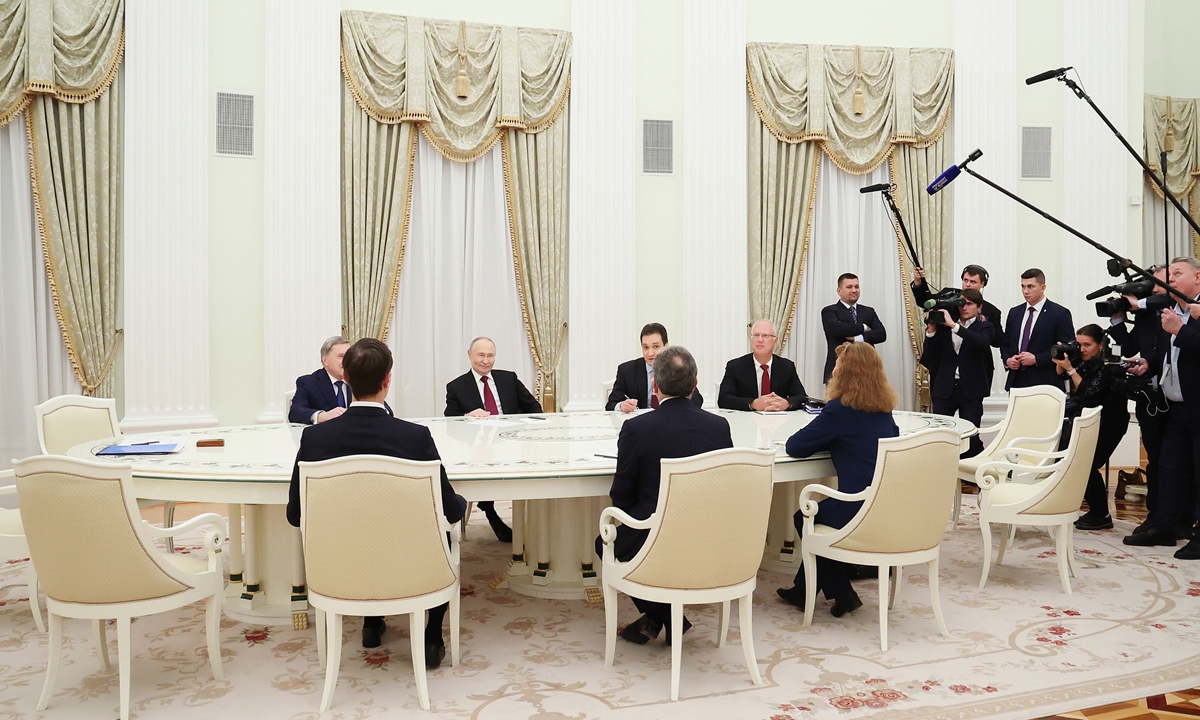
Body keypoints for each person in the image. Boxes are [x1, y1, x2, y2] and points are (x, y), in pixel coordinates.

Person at [287, 338, 467, 665]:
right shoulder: (414, 437)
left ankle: (371, 622)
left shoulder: (314, 438)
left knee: (364, 529)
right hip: (408, 563)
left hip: (340, 565)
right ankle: (431, 636)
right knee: (440, 528)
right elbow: (449, 509)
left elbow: (295, 514)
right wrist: (462, 503)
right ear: (387, 379)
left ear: (347, 379)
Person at [596, 346, 733, 644]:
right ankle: (667, 619)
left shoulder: (637, 428)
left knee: (604, 541)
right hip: (708, 537)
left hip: (654, 537)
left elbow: (621, 496)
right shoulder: (719, 427)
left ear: (655, 386)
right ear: (695, 384)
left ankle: (666, 617)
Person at [775, 343, 899, 616]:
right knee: (816, 518)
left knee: (804, 517)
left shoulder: (839, 410)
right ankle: (801, 591)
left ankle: (843, 593)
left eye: (837, 365)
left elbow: (795, 446)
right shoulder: (884, 409)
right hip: (883, 503)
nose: (833, 370)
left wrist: (832, 438)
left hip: (856, 505)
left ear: (845, 373)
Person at [1124, 257, 1200, 558]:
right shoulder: (1173, 312)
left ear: (1198, 278)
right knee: (1170, 467)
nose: (1171, 280)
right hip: (1176, 407)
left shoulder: (1189, 314)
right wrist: (1149, 363)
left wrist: (1180, 330)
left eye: (1178, 274)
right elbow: (1169, 357)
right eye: (1169, 276)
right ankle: (1165, 527)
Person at [445, 337, 542, 543]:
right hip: (476, 446)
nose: (486, 361)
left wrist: (523, 428)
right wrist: (467, 416)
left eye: (490, 356)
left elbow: (534, 407)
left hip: (511, 444)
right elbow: (449, 422)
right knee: (482, 460)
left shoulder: (508, 379)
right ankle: (489, 511)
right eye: (481, 355)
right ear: (469, 355)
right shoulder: (456, 386)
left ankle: (533, 524)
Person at [1106, 267, 1176, 540]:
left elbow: (1167, 298)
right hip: (1150, 396)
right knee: (1155, 460)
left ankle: (1179, 518)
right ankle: (1155, 516)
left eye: (1162, 282)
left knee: (1176, 462)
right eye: (1154, 283)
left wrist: (1139, 302)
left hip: (1178, 398)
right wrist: (1117, 319)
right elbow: (1128, 347)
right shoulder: (1146, 315)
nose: (1157, 287)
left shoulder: (1177, 307)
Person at [1050, 325, 1130, 530]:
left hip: (1111, 422)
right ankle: (1097, 512)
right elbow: (1061, 376)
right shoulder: (1084, 360)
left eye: (1088, 345)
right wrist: (1062, 361)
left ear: (1100, 345)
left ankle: (1101, 514)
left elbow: (1090, 393)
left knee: (1088, 465)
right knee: (1081, 463)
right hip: (1090, 420)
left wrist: (1071, 369)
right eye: (1079, 344)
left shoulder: (1108, 366)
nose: (1082, 349)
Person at [919, 288, 994, 457]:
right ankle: (944, 469)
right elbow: (930, 357)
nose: (964, 307)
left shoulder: (985, 327)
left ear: (979, 307)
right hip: (944, 388)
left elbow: (981, 342)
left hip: (971, 390)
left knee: (971, 437)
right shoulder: (944, 327)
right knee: (941, 436)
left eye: (970, 304)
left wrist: (954, 326)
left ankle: (972, 470)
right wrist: (931, 330)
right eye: (961, 303)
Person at [913, 264, 1005, 385]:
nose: (968, 284)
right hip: (944, 368)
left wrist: (985, 326)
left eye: (973, 282)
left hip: (976, 369)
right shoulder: (949, 296)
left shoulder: (991, 311)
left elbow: (998, 341)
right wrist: (918, 282)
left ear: (982, 284)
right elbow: (925, 301)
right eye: (965, 280)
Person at [999, 268, 1075, 390]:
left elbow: (1068, 348)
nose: (1025, 291)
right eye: (1023, 286)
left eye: (1030, 286)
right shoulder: (1015, 312)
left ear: (1042, 287)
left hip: (1046, 382)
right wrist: (1008, 360)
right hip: (1017, 381)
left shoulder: (1059, 313)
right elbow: (1005, 343)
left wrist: (1037, 359)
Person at [606, 323, 704, 411]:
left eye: (656, 347)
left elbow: (697, 401)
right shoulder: (627, 370)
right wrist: (621, 406)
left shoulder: (677, 367)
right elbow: (611, 404)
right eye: (645, 347)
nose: (650, 353)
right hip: (641, 422)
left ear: (666, 346)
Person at [717, 319, 807, 411]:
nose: (760, 340)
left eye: (765, 336)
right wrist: (753, 404)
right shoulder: (735, 366)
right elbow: (723, 399)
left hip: (778, 418)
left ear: (775, 341)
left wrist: (787, 403)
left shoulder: (786, 367)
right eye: (756, 335)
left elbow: (802, 397)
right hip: (747, 419)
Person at [820, 273, 887, 383]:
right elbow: (836, 328)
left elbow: (881, 334)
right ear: (839, 291)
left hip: (867, 371)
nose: (854, 290)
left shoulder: (868, 311)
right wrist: (863, 327)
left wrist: (857, 338)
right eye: (849, 287)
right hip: (839, 371)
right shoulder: (830, 311)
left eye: (856, 286)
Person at [289, 336, 351, 424]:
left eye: (349, 356)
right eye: (341, 356)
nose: (347, 361)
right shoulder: (309, 383)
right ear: (325, 360)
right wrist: (322, 416)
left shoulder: (359, 381)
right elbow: (295, 412)